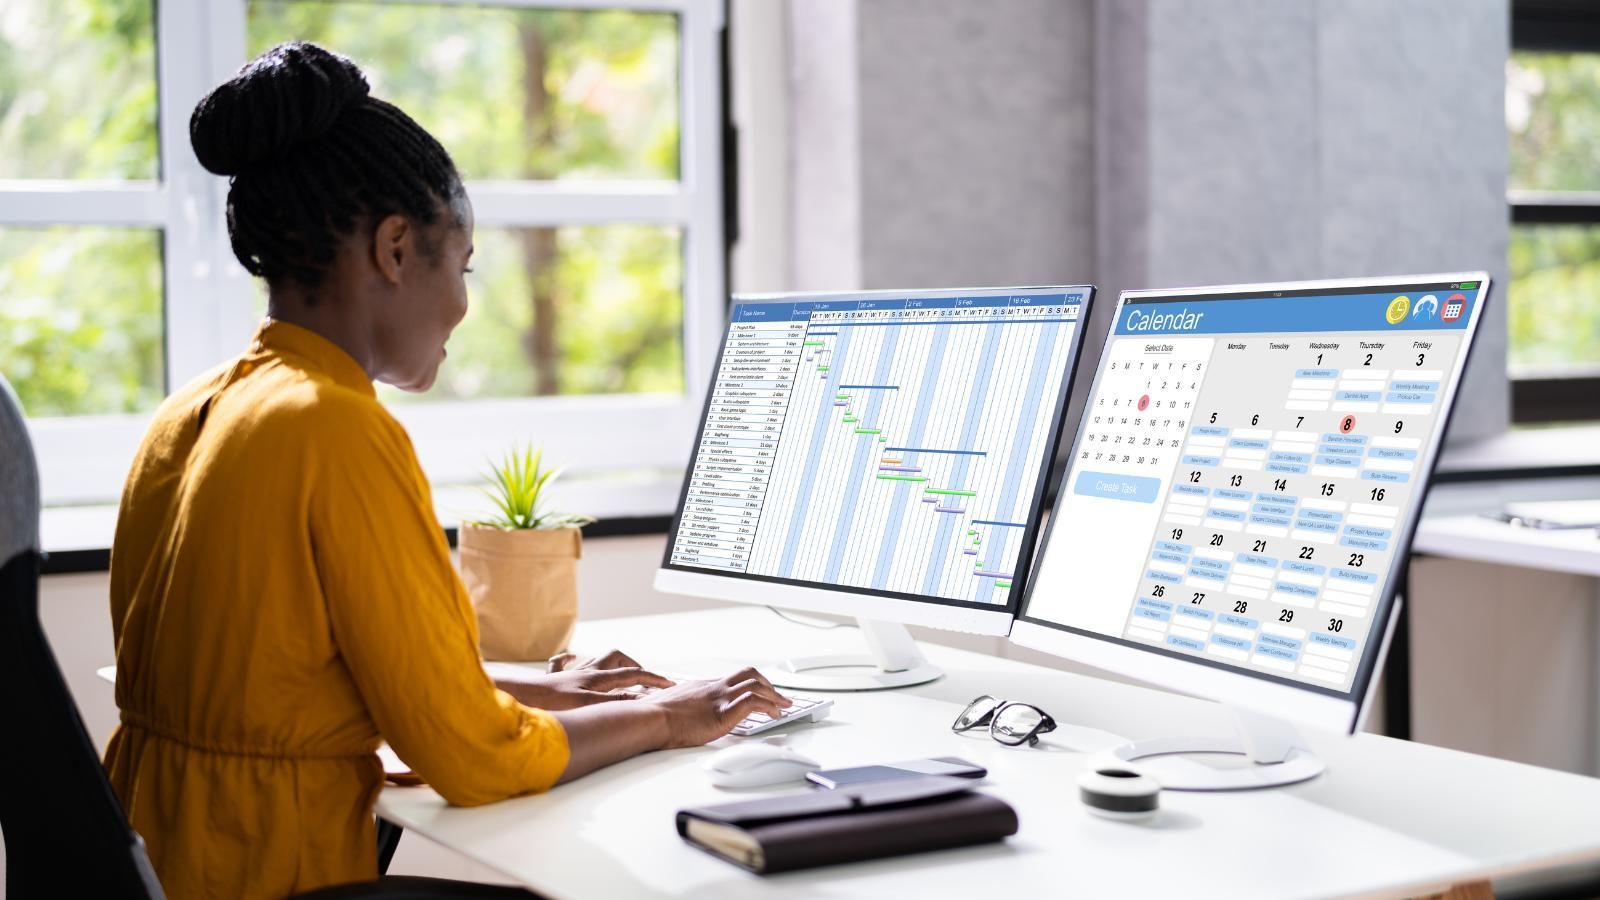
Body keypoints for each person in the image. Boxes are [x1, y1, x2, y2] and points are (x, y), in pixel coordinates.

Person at [104, 41, 788, 900]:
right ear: (395, 249)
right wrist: (666, 717)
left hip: (163, 859)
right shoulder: (337, 427)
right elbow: (473, 756)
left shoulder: (194, 412)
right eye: (460, 267)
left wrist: (539, 688)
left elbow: (295, 677)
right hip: (268, 873)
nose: (462, 306)